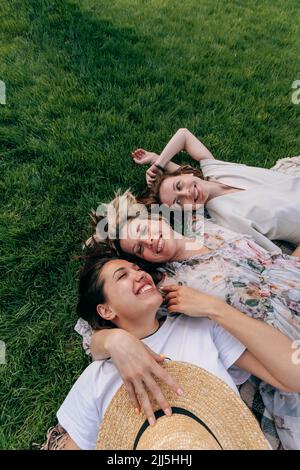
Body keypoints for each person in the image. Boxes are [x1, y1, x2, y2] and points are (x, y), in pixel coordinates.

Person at [84, 190, 300, 449]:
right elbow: (92, 334)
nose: (149, 242)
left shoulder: (206, 225)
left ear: (158, 219)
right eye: (139, 249)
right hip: (285, 338)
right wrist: (114, 340)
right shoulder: (167, 286)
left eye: (143, 229)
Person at [55, 255, 299, 450]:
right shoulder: (97, 377)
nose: (139, 274)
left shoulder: (199, 328)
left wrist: (216, 309)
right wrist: (115, 341)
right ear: (106, 311)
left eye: (137, 268)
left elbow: (294, 374)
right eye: (122, 276)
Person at [131, 128, 300, 253]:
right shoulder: (226, 219)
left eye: (179, 186)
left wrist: (158, 162)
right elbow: (276, 255)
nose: (186, 194)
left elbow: (183, 135)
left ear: (188, 173)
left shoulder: (216, 170)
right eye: (179, 202)